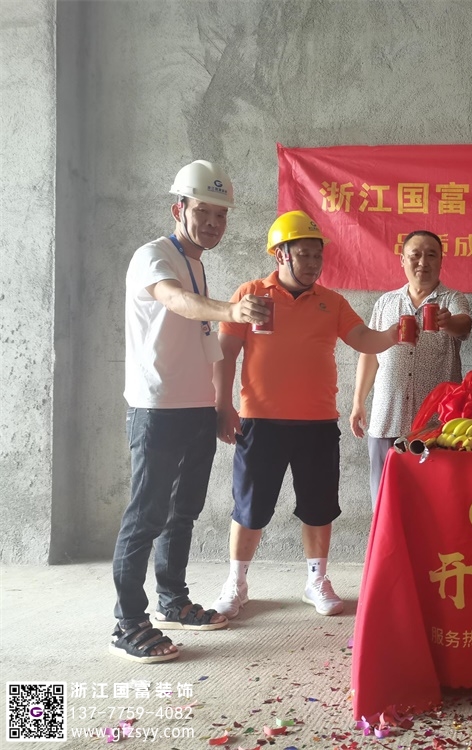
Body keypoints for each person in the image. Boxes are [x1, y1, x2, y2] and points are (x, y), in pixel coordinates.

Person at [112, 160, 271, 664]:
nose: (213, 223)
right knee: (146, 515)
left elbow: (201, 339)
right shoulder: (154, 256)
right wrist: (232, 310)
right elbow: (176, 302)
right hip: (157, 407)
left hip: (197, 406)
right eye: (204, 211)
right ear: (178, 209)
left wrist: (220, 405)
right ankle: (127, 622)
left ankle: (172, 600)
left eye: (221, 215)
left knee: (183, 512)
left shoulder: (196, 264)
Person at [211, 210, 400, 620]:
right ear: (281, 254)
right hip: (260, 421)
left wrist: (393, 335)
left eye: (318, 255)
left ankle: (316, 580)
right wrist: (223, 406)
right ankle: (236, 582)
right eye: (305, 254)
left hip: (317, 423)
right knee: (250, 508)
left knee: (318, 506)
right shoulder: (251, 295)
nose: (314, 263)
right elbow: (225, 355)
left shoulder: (332, 302)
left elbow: (362, 338)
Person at [349, 231, 472, 507]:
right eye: (415, 255)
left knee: (435, 502)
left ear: (441, 261)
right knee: (385, 501)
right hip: (387, 418)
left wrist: (448, 322)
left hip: (437, 424)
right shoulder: (385, 302)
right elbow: (369, 353)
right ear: (402, 260)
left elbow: (464, 326)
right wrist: (358, 402)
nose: (423, 262)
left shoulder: (452, 300)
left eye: (431, 255)